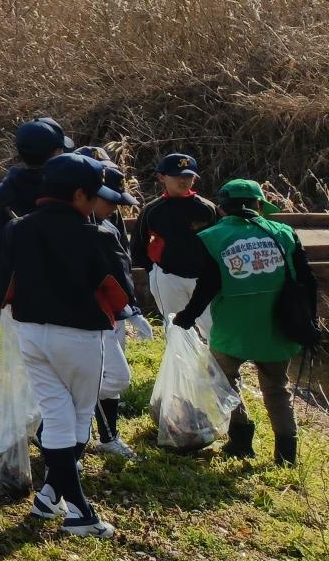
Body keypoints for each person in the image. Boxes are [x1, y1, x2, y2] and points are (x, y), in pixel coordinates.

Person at [0, 152, 136, 538]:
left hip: (30, 333)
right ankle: (80, 513)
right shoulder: (99, 235)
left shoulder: (18, 228)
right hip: (80, 336)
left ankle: (49, 498)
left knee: (56, 416)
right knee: (77, 419)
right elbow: (121, 292)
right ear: (78, 195)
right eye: (94, 194)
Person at [175, 178, 315, 467]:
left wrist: (187, 317)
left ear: (222, 208)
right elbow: (307, 281)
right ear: (258, 205)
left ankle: (240, 440)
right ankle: (286, 456)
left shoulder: (212, 237)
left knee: (224, 382)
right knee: (277, 389)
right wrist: (310, 323)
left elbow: (207, 286)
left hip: (232, 329)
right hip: (278, 327)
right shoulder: (285, 233)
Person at [0, 117, 73, 320]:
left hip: (15, 300)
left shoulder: (0, 195)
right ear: (57, 152)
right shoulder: (71, 193)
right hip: (67, 300)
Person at [81, 156, 142, 460]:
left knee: (113, 378)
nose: (116, 208)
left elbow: (122, 267)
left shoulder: (107, 222)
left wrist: (132, 308)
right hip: (79, 318)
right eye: (110, 201)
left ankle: (108, 435)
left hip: (110, 313)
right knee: (87, 380)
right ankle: (68, 443)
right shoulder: (68, 226)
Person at [133, 153, 220, 335]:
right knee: (176, 328)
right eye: (176, 175)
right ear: (161, 177)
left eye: (188, 175)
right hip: (168, 276)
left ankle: (212, 356)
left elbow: (220, 243)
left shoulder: (207, 208)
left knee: (214, 328)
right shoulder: (152, 210)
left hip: (204, 278)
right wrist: (153, 270)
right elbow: (138, 245)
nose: (183, 180)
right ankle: (182, 356)